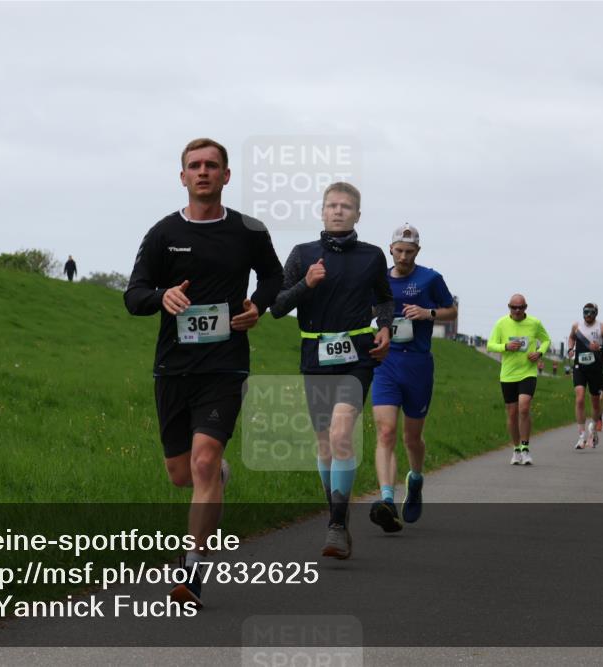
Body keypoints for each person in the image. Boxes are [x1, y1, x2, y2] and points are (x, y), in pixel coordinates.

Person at [123, 138, 283, 607]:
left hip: (225, 365)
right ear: (183, 177)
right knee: (181, 474)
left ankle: (192, 571)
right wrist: (163, 297)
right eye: (194, 166)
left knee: (204, 460)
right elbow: (134, 295)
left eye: (212, 165)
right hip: (174, 367)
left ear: (226, 175)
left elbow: (273, 277)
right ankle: (215, 479)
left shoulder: (249, 231)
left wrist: (257, 306)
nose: (203, 172)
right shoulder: (162, 233)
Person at [271, 182, 393, 559]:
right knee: (325, 445)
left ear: (358, 214)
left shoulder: (372, 256)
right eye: (332, 205)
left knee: (341, 435)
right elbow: (277, 306)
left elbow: (384, 299)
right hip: (315, 358)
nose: (338, 211)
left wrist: (385, 327)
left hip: (358, 357)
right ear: (322, 211)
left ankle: (336, 527)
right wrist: (306, 284)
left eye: (346, 206)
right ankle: (336, 513)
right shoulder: (303, 254)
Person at [368, 224, 456, 533]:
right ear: (390, 249)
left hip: (418, 365)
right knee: (386, 432)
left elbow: (451, 310)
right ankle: (387, 500)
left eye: (409, 251)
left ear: (417, 251)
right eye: (399, 250)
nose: (403, 256)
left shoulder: (430, 278)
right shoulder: (378, 279)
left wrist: (427, 313)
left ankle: (415, 479)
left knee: (411, 438)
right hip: (385, 363)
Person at [487, 294, 551, 465]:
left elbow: (546, 340)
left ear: (525, 307)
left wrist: (539, 353)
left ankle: (525, 448)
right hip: (508, 374)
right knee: (512, 413)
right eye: (513, 307)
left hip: (528, 372)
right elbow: (490, 345)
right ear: (509, 307)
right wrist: (505, 346)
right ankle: (516, 449)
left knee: (524, 407)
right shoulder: (501, 323)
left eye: (520, 307)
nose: (517, 310)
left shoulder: (534, 323)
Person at [566, 303, 603, 449]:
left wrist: (601, 347)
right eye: (586, 312)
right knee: (580, 398)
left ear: (596, 313)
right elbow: (571, 338)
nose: (588, 315)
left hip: (595, 368)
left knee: (595, 402)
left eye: (591, 312)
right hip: (579, 367)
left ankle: (593, 428)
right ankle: (581, 436)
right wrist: (570, 349)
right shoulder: (576, 326)